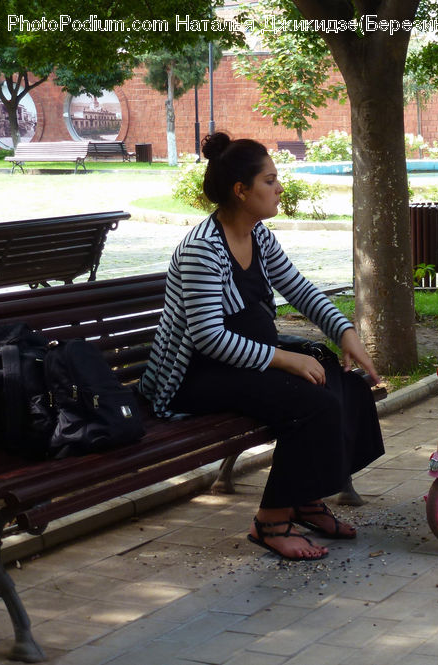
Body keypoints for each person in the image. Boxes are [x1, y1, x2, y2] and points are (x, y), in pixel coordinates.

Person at [139, 132, 384, 561]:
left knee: (340, 379)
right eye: (270, 181)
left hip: (240, 360)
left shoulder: (259, 237)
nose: (280, 188)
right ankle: (270, 521)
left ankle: (305, 499)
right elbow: (208, 338)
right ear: (241, 190)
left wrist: (346, 335)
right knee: (312, 402)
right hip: (194, 374)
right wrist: (285, 359)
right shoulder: (202, 249)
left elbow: (301, 289)